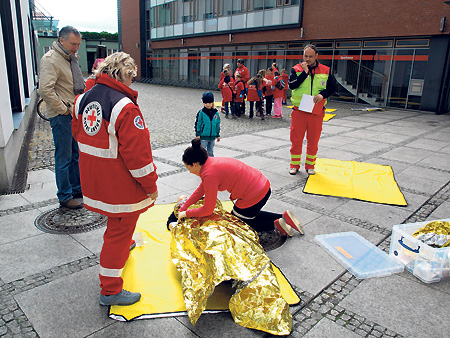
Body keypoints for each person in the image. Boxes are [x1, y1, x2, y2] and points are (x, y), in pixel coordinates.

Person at [71, 52, 159, 306]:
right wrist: (151, 187)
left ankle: (126, 242)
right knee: (117, 234)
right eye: (132, 76)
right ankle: (110, 290)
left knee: (118, 227)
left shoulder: (83, 100)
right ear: (126, 74)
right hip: (120, 187)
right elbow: (139, 159)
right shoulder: (125, 108)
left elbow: (78, 133)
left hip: (95, 180)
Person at [178, 139, 304, 236]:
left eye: (189, 168)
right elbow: (201, 190)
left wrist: (186, 213)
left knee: (236, 223)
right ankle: (283, 217)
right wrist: (184, 207)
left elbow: (208, 209)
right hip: (263, 185)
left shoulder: (209, 174)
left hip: (253, 195)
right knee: (246, 214)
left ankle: (275, 225)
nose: (190, 172)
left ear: (195, 164)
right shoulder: (210, 163)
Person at [39, 26, 84, 209]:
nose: (76, 48)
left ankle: (76, 189)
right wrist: (64, 109)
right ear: (61, 40)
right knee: (64, 157)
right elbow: (45, 89)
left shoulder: (68, 58)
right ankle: (65, 196)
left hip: (71, 114)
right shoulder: (51, 60)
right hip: (62, 116)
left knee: (75, 154)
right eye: (73, 44)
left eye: (78, 44)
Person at [288, 44, 335, 176]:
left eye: (310, 56)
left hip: (316, 111)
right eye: (305, 56)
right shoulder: (296, 69)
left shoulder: (325, 70)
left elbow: (333, 88)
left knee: (313, 140)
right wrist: (304, 73)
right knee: (296, 140)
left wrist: (322, 95)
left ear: (316, 56)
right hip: (299, 111)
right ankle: (294, 165)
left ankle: (310, 165)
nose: (307, 59)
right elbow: (292, 85)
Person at [195, 92, 220, 157]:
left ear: (212, 103)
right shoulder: (201, 112)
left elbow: (217, 124)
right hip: (203, 136)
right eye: (206, 103)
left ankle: (211, 163)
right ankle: (201, 162)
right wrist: (198, 133)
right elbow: (198, 123)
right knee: (202, 151)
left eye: (209, 103)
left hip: (212, 136)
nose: (208, 105)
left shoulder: (215, 113)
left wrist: (217, 134)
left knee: (210, 151)